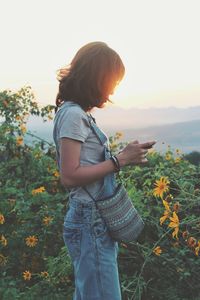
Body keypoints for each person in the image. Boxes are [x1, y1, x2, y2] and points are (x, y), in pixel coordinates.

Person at [53, 41, 156, 300]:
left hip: (93, 221)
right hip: (90, 221)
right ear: (97, 78)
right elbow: (69, 175)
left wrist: (126, 156)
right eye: (112, 81)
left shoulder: (75, 113)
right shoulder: (73, 115)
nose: (112, 89)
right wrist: (120, 160)